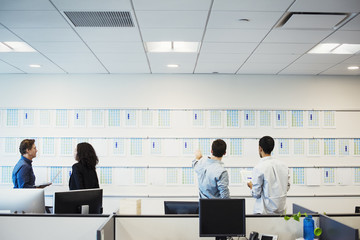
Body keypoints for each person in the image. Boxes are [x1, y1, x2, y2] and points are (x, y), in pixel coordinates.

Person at [247, 136, 290, 214]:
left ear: (260, 148)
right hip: (281, 212)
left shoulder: (259, 168)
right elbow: (287, 187)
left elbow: (256, 194)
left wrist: (251, 186)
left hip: (264, 213)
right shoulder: (284, 166)